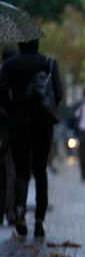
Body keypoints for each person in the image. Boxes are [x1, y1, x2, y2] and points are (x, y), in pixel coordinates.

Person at [0, 39, 63, 236]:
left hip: (19, 123)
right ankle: (39, 219)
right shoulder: (49, 63)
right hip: (43, 123)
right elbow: (58, 94)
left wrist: (15, 111)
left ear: (20, 44)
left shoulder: (10, 64)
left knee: (21, 171)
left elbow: (2, 95)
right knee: (40, 170)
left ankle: (19, 211)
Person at [0, 45, 17, 225]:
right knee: (12, 170)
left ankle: (8, 208)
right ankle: (10, 208)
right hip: (10, 128)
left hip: (8, 128)